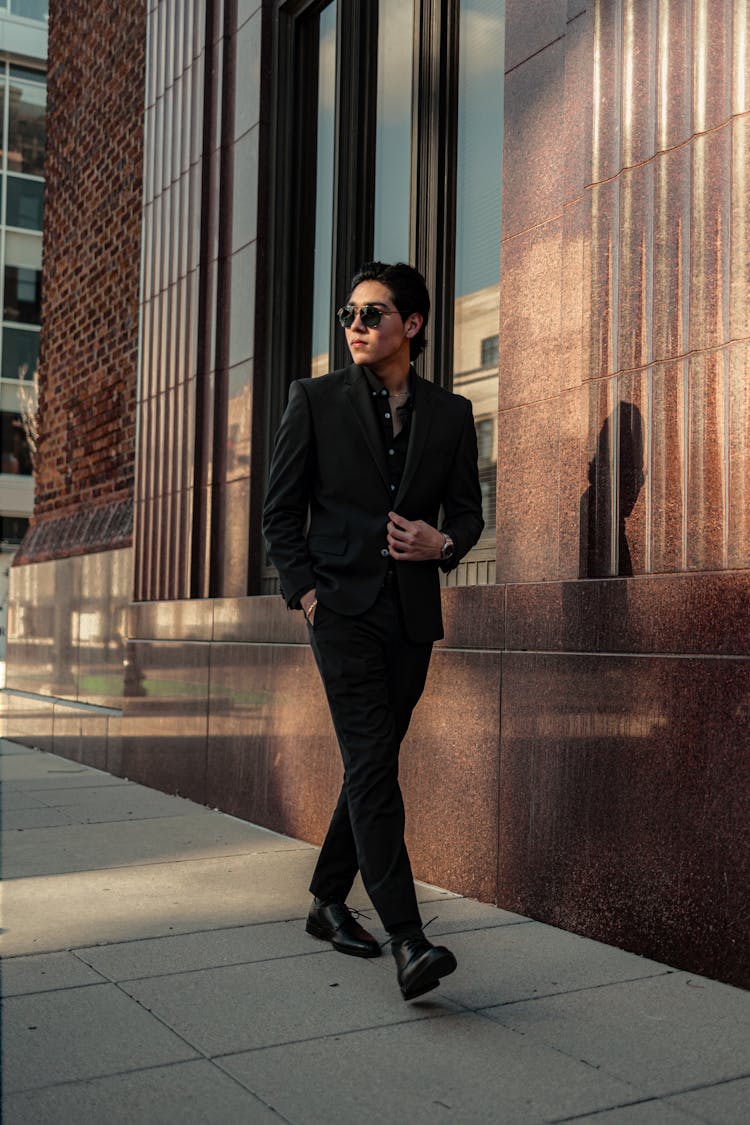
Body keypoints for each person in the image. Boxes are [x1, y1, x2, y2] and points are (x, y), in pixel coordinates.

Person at [262, 261, 484, 1000]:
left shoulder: (451, 416)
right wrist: (308, 595)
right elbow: (279, 512)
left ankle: (327, 897)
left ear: (411, 326)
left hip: (412, 616)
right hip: (343, 613)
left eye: (372, 313)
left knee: (372, 761)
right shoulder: (315, 401)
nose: (355, 326)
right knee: (373, 761)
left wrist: (441, 544)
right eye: (349, 314)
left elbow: (468, 513)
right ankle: (409, 940)